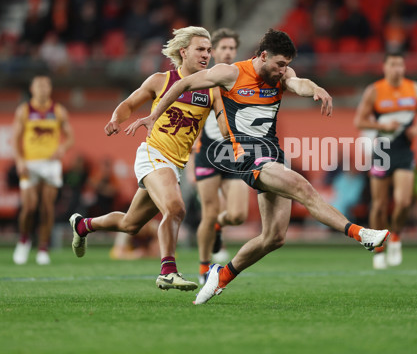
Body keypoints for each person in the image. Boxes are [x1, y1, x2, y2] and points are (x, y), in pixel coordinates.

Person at [126, 29, 390, 304]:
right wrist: (153, 115)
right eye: (279, 64)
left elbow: (300, 83)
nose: (283, 71)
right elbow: (182, 84)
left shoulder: (283, 75)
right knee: (301, 186)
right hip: (250, 158)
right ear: (263, 56)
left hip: (273, 155)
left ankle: (221, 275)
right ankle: (362, 234)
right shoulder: (230, 74)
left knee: (274, 237)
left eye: (286, 65)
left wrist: (316, 89)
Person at [68, 26, 225, 291]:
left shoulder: (212, 88)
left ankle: (83, 225)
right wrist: (117, 117)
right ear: (183, 51)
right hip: (153, 154)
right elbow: (129, 103)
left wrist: (233, 134)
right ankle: (168, 271)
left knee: (130, 224)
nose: (206, 55)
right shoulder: (161, 80)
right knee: (176, 208)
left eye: (209, 50)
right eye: (200, 49)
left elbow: (222, 121)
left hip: (174, 165)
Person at [354, 52, 417, 269]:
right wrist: (382, 127)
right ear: (385, 67)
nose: (397, 68)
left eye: (400, 64)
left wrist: (416, 129)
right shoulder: (375, 91)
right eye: (393, 64)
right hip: (383, 150)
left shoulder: (414, 89)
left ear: (404, 68)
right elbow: (359, 120)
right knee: (378, 205)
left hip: (404, 150)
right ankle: (379, 249)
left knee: (404, 202)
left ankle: (395, 236)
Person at [193, 28, 249, 284]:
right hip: (207, 152)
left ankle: (218, 226)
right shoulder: (204, 79)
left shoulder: (243, 78)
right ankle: (205, 267)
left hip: (233, 152)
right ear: (213, 52)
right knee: (208, 210)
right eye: (222, 48)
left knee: (237, 215)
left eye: (231, 48)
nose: (227, 52)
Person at [12, 75, 74, 265]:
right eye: (38, 85)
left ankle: (43, 248)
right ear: (32, 89)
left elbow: (70, 137)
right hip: (29, 163)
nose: (42, 88)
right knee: (29, 207)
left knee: (47, 207)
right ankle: (24, 240)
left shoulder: (58, 111)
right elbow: (15, 140)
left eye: (45, 85)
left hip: (50, 164)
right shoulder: (23, 111)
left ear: (50, 88)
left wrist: (62, 149)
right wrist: (20, 160)